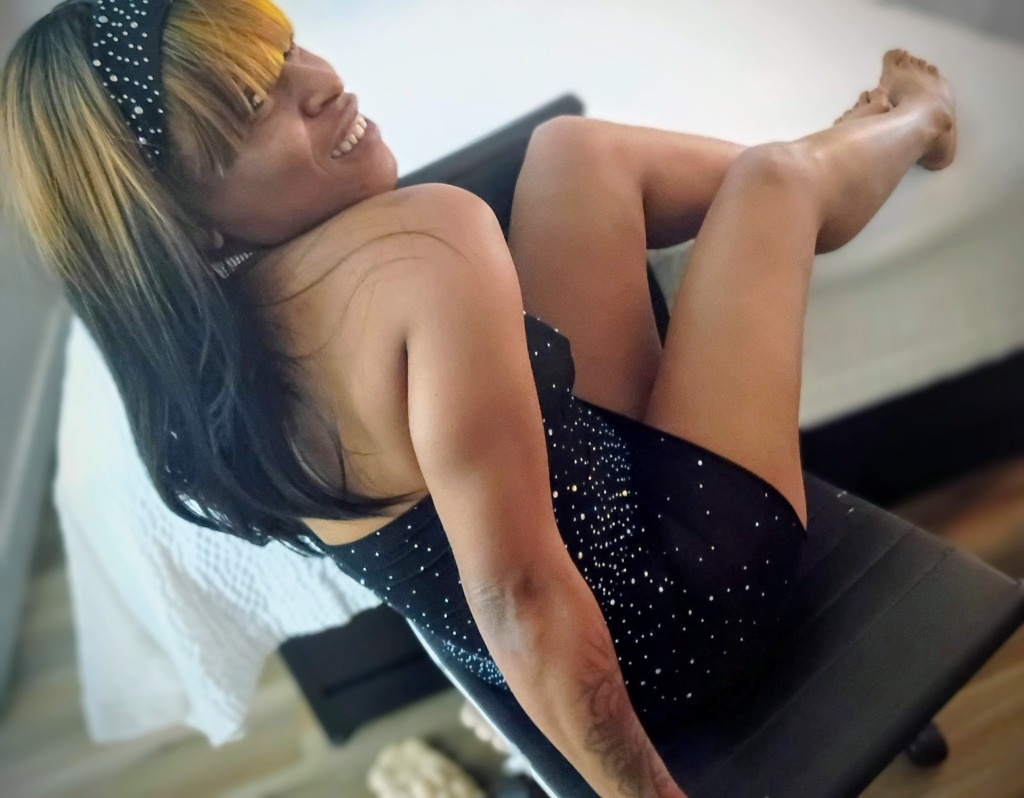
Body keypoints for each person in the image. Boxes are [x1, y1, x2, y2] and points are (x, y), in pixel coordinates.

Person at [0, 0, 956, 795]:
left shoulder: (201, 364)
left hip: (590, 512)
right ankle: (906, 124)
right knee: (772, 181)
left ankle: (832, 157)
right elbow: (522, 598)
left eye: (284, 47)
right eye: (255, 102)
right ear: (184, 221)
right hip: (678, 620)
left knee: (572, 152)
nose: (321, 81)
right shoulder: (418, 250)